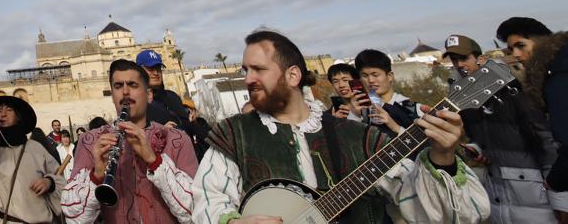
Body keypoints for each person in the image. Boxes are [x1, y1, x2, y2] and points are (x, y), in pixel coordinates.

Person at [191, 30, 489, 224]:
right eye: (245, 70)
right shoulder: (234, 134)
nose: (248, 79)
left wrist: (443, 160)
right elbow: (209, 199)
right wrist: (233, 222)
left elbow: (432, 211)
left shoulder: (356, 135)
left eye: (258, 69)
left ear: (293, 76)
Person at [445, 33, 568, 223]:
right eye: (454, 59)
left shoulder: (514, 92)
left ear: (480, 59)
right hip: (497, 194)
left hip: (536, 195)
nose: (459, 64)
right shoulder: (462, 100)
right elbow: (478, 138)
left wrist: (561, 199)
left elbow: (546, 142)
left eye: (464, 58)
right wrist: (476, 149)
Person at [63, 59, 197, 223]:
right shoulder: (89, 141)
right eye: (118, 86)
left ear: (149, 95)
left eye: (133, 85)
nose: (125, 91)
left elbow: (197, 208)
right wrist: (97, 176)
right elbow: (72, 217)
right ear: (112, 95)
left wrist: (154, 161)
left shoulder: (177, 139)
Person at [0, 95, 64, 223]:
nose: (3, 114)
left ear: (18, 116)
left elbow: (60, 179)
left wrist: (49, 182)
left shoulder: (35, 148)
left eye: (8, 110)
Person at [498, 18, 568, 194]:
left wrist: (555, 181)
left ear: (542, 41)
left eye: (521, 46)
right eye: (511, 49)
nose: (516, 54)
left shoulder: (557, 76)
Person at [352, 48, 424, 133]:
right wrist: (356, 116)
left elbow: (427, 144)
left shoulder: (415, 109)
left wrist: (395, 127)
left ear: (390, 76)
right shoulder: (360, 112)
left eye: (375, 75)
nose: (370, 80)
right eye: (364, 76)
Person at [136, 50, 190, 129]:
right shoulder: (134, 103)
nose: (156, 73)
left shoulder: (173, 97)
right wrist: (160, 132)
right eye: (150, 68)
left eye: (158, 68)